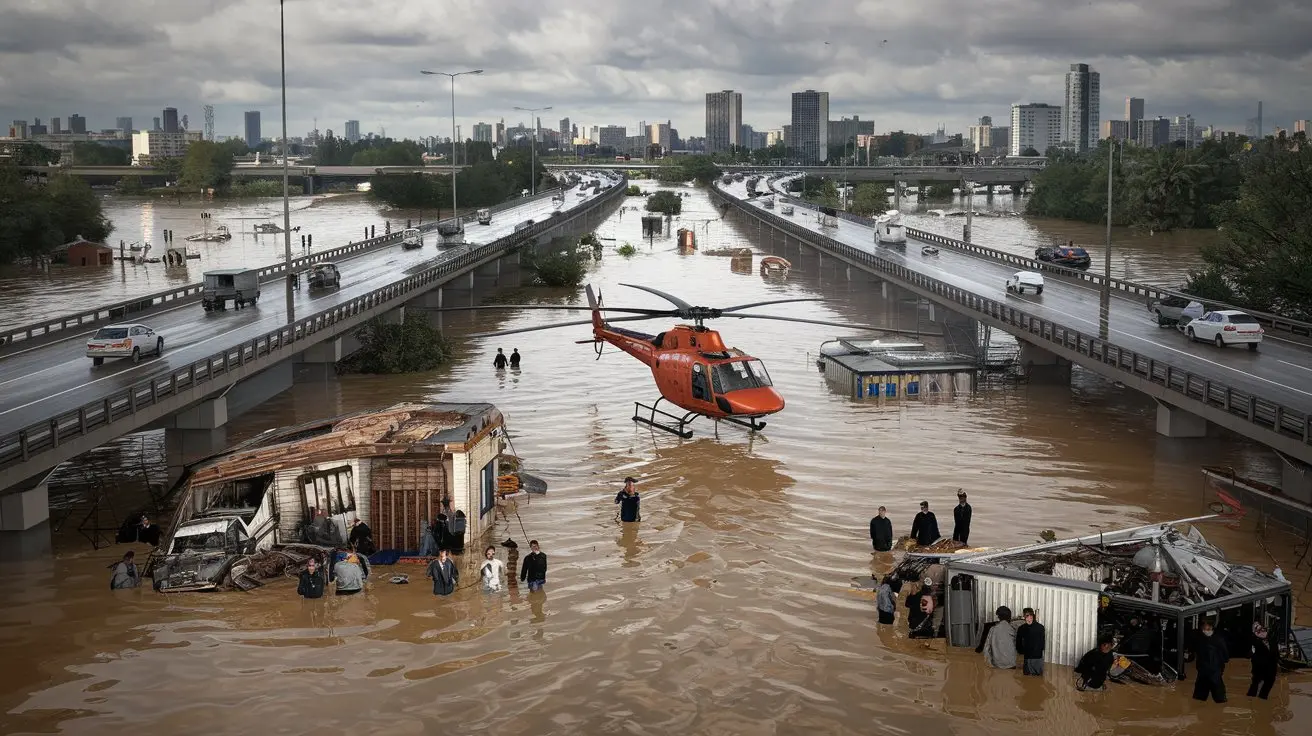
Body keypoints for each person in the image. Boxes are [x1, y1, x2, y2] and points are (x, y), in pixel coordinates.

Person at [1193, 619, 1229, 703]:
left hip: (1214, 671)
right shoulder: (1200, 639)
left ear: (1211, 628)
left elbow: (1225, 654)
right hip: (1204, 671)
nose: (1205, 631)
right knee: (1200, 698)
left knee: (1218, 695)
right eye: (1204, 629)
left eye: (1207, 629)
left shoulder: (1218, 639)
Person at [1248, 622, 1278, 699]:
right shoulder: (1254, 643)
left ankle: (1262, 701)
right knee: (1255, 690)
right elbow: (1253, 658)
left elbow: (1276, 654)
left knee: (1266, 689)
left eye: (1262, 629)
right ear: (1255, 633)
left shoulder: (1272, 640)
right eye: (1258, 631)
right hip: (1260, 672)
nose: (1262, 631)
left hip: (1271, 671)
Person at [1016, 607, 1046, 675]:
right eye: (1027, 616)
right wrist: (1022, 652)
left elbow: (1042, 643)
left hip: (1037, 657)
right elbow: (1018, 644)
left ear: (1033, 616)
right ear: (1024, 617)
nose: (1029, 619)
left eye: (1030, 616)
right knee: (1026, 678)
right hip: (1027, 657)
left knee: (1038, 678)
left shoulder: (1040, 627)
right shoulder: (1021, 628)